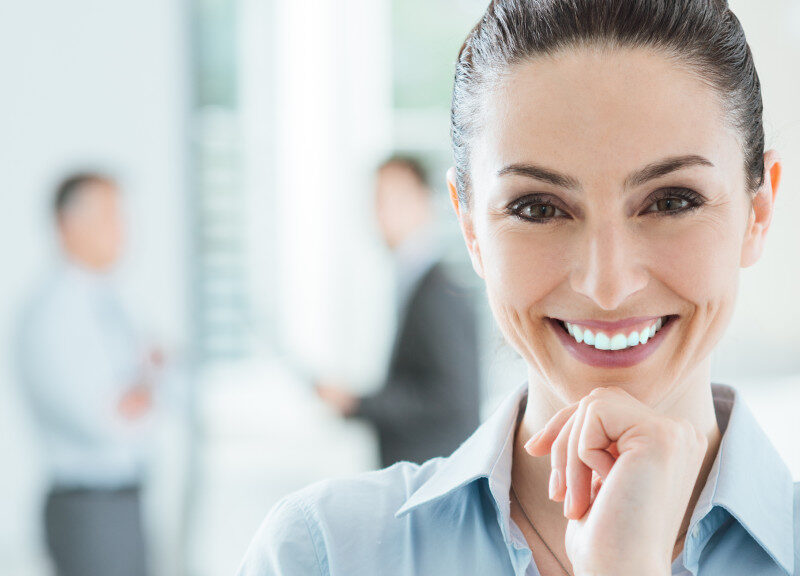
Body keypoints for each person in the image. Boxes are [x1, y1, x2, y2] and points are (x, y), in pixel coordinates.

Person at [238, 1, 799, 575]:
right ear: (470, 229)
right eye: (538, 208)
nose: (607, 285)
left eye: (673, 201)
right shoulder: (322, 554)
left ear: (759, 211)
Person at [17, 173, 157, 576]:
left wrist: (142, 390)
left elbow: (146, 401)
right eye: (109, 217)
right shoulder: (52, 313)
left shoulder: (112, 300)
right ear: (67, 224)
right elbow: (106, 421)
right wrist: (146, 387)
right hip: (88, 509)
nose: (121, 231)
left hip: (124, 502)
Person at [315, 155, 481, 467]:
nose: (380, 213)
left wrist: (358, 403)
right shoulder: (410, 284)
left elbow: (450, 399)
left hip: (432, 478)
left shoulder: (438, 293)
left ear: (425, 203)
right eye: (377, 200)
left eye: (393, 200)